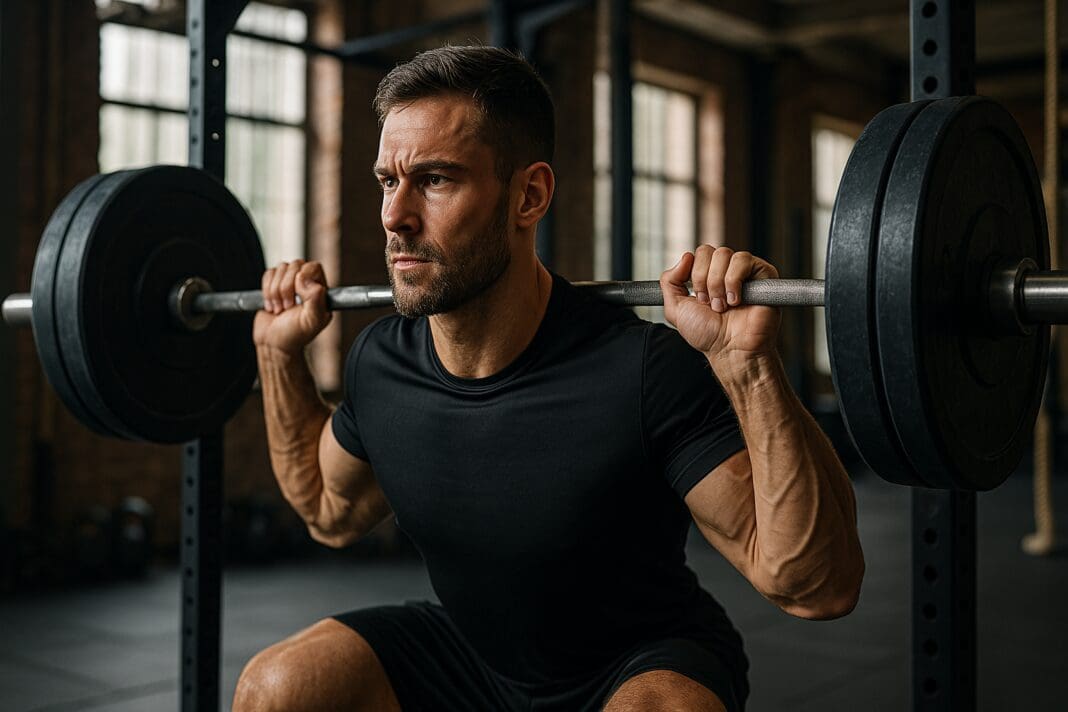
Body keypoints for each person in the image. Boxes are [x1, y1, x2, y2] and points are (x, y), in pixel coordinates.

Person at [233, 45, 863, 712]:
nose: (395, 216)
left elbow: (815, 585)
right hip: (471, 659)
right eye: (389, 181)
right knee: (278, 689)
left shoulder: (640, 371)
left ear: (529, 195)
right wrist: (277, 357)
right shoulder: (382, 361)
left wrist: (748, 368)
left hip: (631, 666)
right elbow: (331, 513)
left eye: (436, 180)